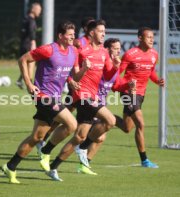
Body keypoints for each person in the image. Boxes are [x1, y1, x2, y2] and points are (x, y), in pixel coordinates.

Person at [2, 20, 89, 184]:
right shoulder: (48, 49)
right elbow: (23, 59)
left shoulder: (73, 52)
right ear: (60, 36)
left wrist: (71, 80)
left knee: (36, 137)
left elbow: (64, 72)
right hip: (42, 96)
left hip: (55, 96)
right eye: (69, 35)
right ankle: (46, 151)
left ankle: (10, 166)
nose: (73, 37)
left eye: (74, 34)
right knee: (71, 124)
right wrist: (28, 83)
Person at [41, 19, 120, 181]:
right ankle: (83, 149)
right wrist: (73, 79)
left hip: (93, 95)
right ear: (92, 33)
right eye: (100, 31)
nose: (104, 34)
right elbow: (72, 70)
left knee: (79, 135)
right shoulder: (80, 47)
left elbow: (107, 75)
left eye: (105, 31)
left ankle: (52, 165)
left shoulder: (104, 52)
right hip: (82, 95)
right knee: (110, 120)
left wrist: (116, 67)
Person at [74, 38, 133, 170]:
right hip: (90, 102)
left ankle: (85, 162)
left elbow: (116, 84)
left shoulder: (114, 67)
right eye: (115, 48)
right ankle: (78, 156)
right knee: (90, 136)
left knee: (99, 137)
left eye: (119, 48)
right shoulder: (100, 64)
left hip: (101, 105)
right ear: (107, 50)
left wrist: (128, 85)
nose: (119, 51)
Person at [116, 27, 165, 168]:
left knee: (127, 128)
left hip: (141, 94)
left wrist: (158, 81)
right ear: (140, 38)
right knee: (141, 124)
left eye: (152, 37)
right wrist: (126, 86)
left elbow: (151, 73)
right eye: (148, 37)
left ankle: (106, 119)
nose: (151, 39)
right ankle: (144, 160)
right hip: (128, 93)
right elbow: (117, 75)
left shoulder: (154, 54)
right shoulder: (130, 54)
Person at [16, 2, 42, 89]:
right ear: (33, 9)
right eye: (38, 10)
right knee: (31, 64)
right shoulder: (31, 20)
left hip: (23, 44)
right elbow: (31, 31)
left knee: (25, 63)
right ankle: (30, 85)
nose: (39, 12)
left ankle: (20, 80)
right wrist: (33, 42)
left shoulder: (25, 19)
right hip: (28, 45)